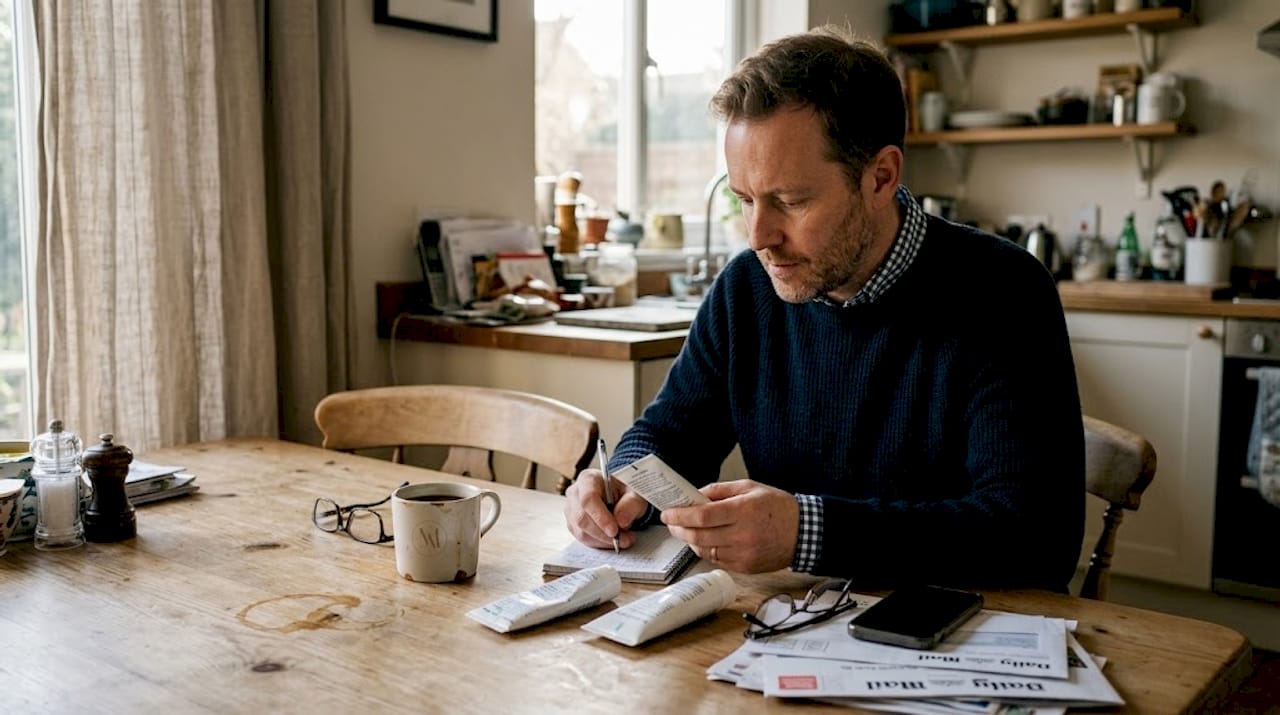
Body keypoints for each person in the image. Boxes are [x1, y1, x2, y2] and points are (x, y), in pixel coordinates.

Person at [563, 25, 1084, 592]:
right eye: (744, 199)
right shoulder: (746, 289)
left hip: (957, 637)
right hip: (791, 628)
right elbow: (669, 435)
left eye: (790, 201)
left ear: (880, 177)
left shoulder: (1004, 291)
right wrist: (620, 480)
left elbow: (1037, 538)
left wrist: (806, 532)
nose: (759, 236)